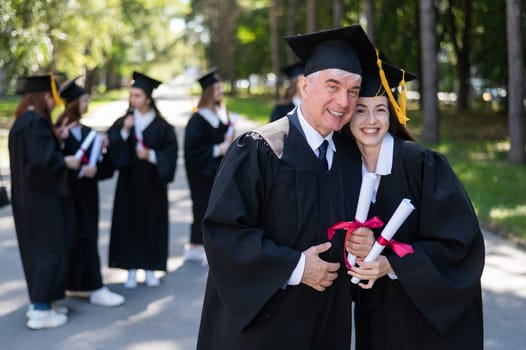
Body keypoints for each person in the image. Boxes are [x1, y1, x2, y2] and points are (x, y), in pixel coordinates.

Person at [196, 25, 377, 349]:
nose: (344, 101)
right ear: (304, 86)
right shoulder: (260, 149)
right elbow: (224, 233)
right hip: (267, 325)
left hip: (326, 322)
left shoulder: (351, 158)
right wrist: (296, 266)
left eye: (354, 90)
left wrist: (363, 241)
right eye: (332, 86)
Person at [343, 57, 485, 349]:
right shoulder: (344, 171)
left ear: (393, 114)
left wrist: (392, 264)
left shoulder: (421, 164)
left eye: (380, 110)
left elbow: (459, 246)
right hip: (377, 318)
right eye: (360, 110)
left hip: (426, 322)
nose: (371, 121)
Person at [8, 74, 81, 329]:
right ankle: (41, 310)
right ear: (44, 97)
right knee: (48, 251)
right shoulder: (37, 123)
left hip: (27, 201)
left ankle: (42, 302)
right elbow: (42, 164)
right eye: (53, 98)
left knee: (36, 251)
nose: (54, 105)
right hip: (42, 202)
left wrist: (56, 139)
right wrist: (66, 161)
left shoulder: (21, 122)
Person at [56, 77, 125, 307]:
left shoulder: (88, 133)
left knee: (88, 238)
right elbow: (51, 165)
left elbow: (102, 170)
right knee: (72, 239)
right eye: (84, 100)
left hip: (87, 196)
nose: (87, 104)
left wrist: (103, 151)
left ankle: (94, 285)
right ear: (73, 102)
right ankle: (75, 285)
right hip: (67, 196)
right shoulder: (58, 131)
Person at [106, 71, 178, 288]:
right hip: (128, 184)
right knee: (128, 224)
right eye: (132, 95)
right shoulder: (124, 122)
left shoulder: (162, 125)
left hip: (152, 184)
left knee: (151, 223)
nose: (133, 99)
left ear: (148, 98)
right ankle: (130, 269)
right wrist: (125, 132)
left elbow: (171, 152)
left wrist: (151, 155)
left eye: (137, 95)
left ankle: (150, 268)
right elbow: (111, 149)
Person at [183, 68, 234, 262]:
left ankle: (211, 243)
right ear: (208, 92)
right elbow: (192, 150)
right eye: (217, 88)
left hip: (218, 169)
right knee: (202, 206)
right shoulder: (197, 119)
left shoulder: (221, 112)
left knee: (219, 205)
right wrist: (217, 150)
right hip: (201, 171)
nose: (220, 91)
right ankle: (196, 245)